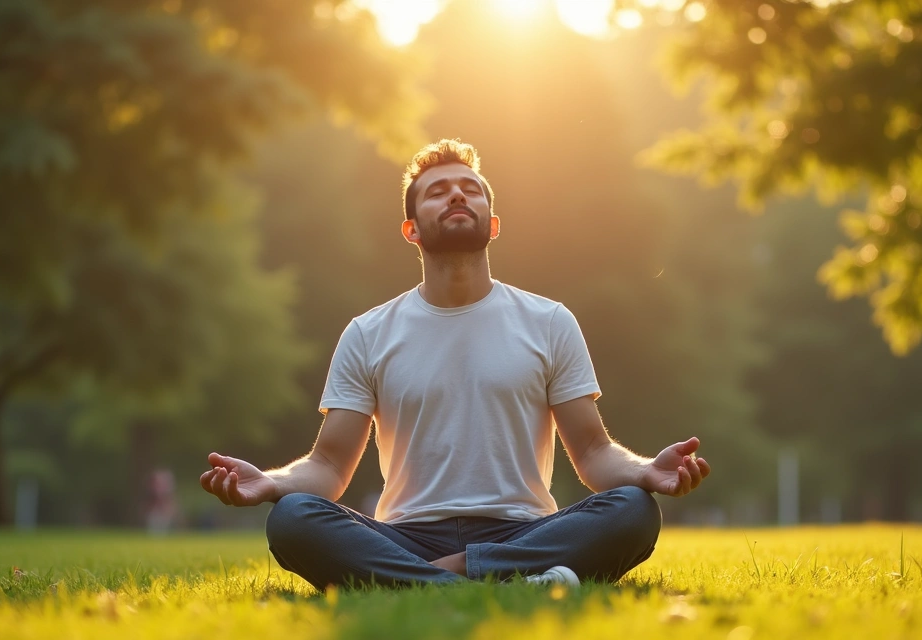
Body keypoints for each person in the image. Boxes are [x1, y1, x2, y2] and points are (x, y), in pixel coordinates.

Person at [200, 139, 711, 590]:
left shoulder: (549, 322)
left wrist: (645, 471)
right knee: (292, 517)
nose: (457, 196)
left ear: (493, 223)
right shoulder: (368, 333)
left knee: (633, 510)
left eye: (470, 189)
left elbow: (594, 451)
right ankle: (494, 579)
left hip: (524, 530)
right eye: (438, 191)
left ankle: (436, 578)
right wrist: (271, 484)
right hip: (405, 536)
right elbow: (329, 466)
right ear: (411, 230)